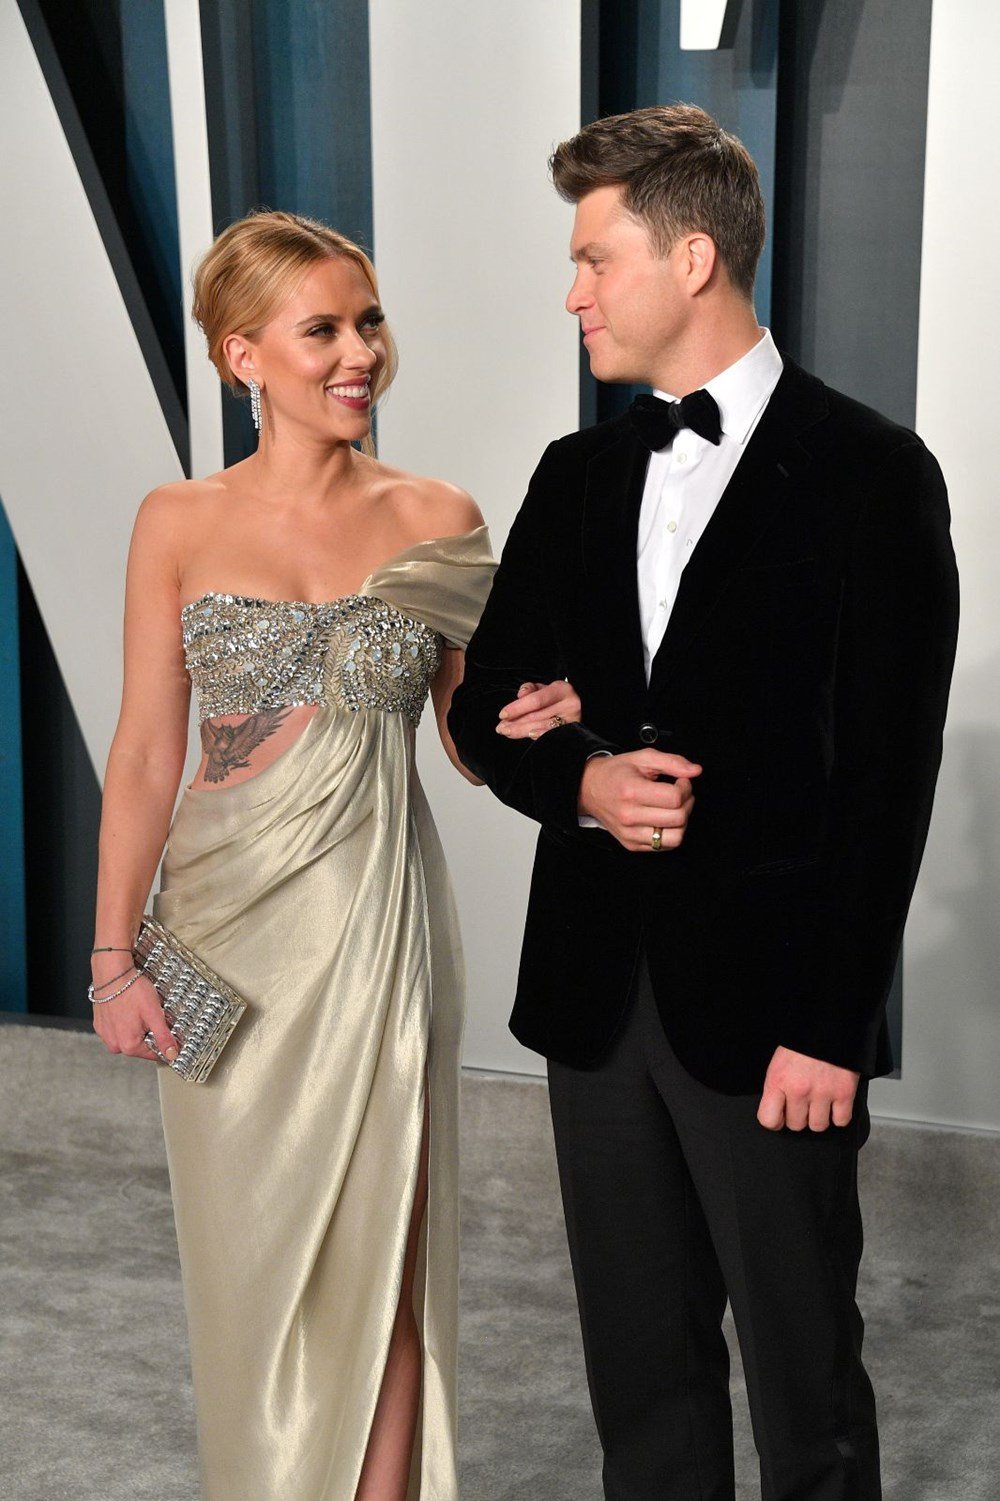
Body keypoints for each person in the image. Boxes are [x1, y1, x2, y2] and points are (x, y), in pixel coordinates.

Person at [448, 105, 959, 1501]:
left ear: (690, 259)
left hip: (776, 1013)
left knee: (808, 1392)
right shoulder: (575, 474)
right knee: (643, 1385)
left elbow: (888, 783)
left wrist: (832, 1027)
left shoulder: (875, 474)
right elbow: (486, 707)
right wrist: (581, 779)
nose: (572, 293)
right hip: (594, 1001)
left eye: (592, 259)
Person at [89, 209, 577, 1501]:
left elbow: (468, 738)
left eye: (369, 322)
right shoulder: (176, 519)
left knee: (384, 1264)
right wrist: (112, 957)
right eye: (324, 330)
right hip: (219, 937)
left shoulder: (438, 516)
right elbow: (144, 751)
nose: (361, 353)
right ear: (242, 355)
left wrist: (541, 722)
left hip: (376, 928)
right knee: (247, 1280)